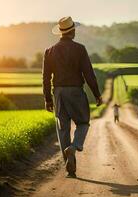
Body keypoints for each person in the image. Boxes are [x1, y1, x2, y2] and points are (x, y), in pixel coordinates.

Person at [42, 16, 102, 178]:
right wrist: (97, 94)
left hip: (59, 93)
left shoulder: (49, 51)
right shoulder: (80, 49)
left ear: (61, 32)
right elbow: (89, 74)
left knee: (63, 128)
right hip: (76, 92)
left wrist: (47, 99)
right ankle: (74, 148)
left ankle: (70, 167)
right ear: (72, 31)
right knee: (83, 123)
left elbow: (46, 78)